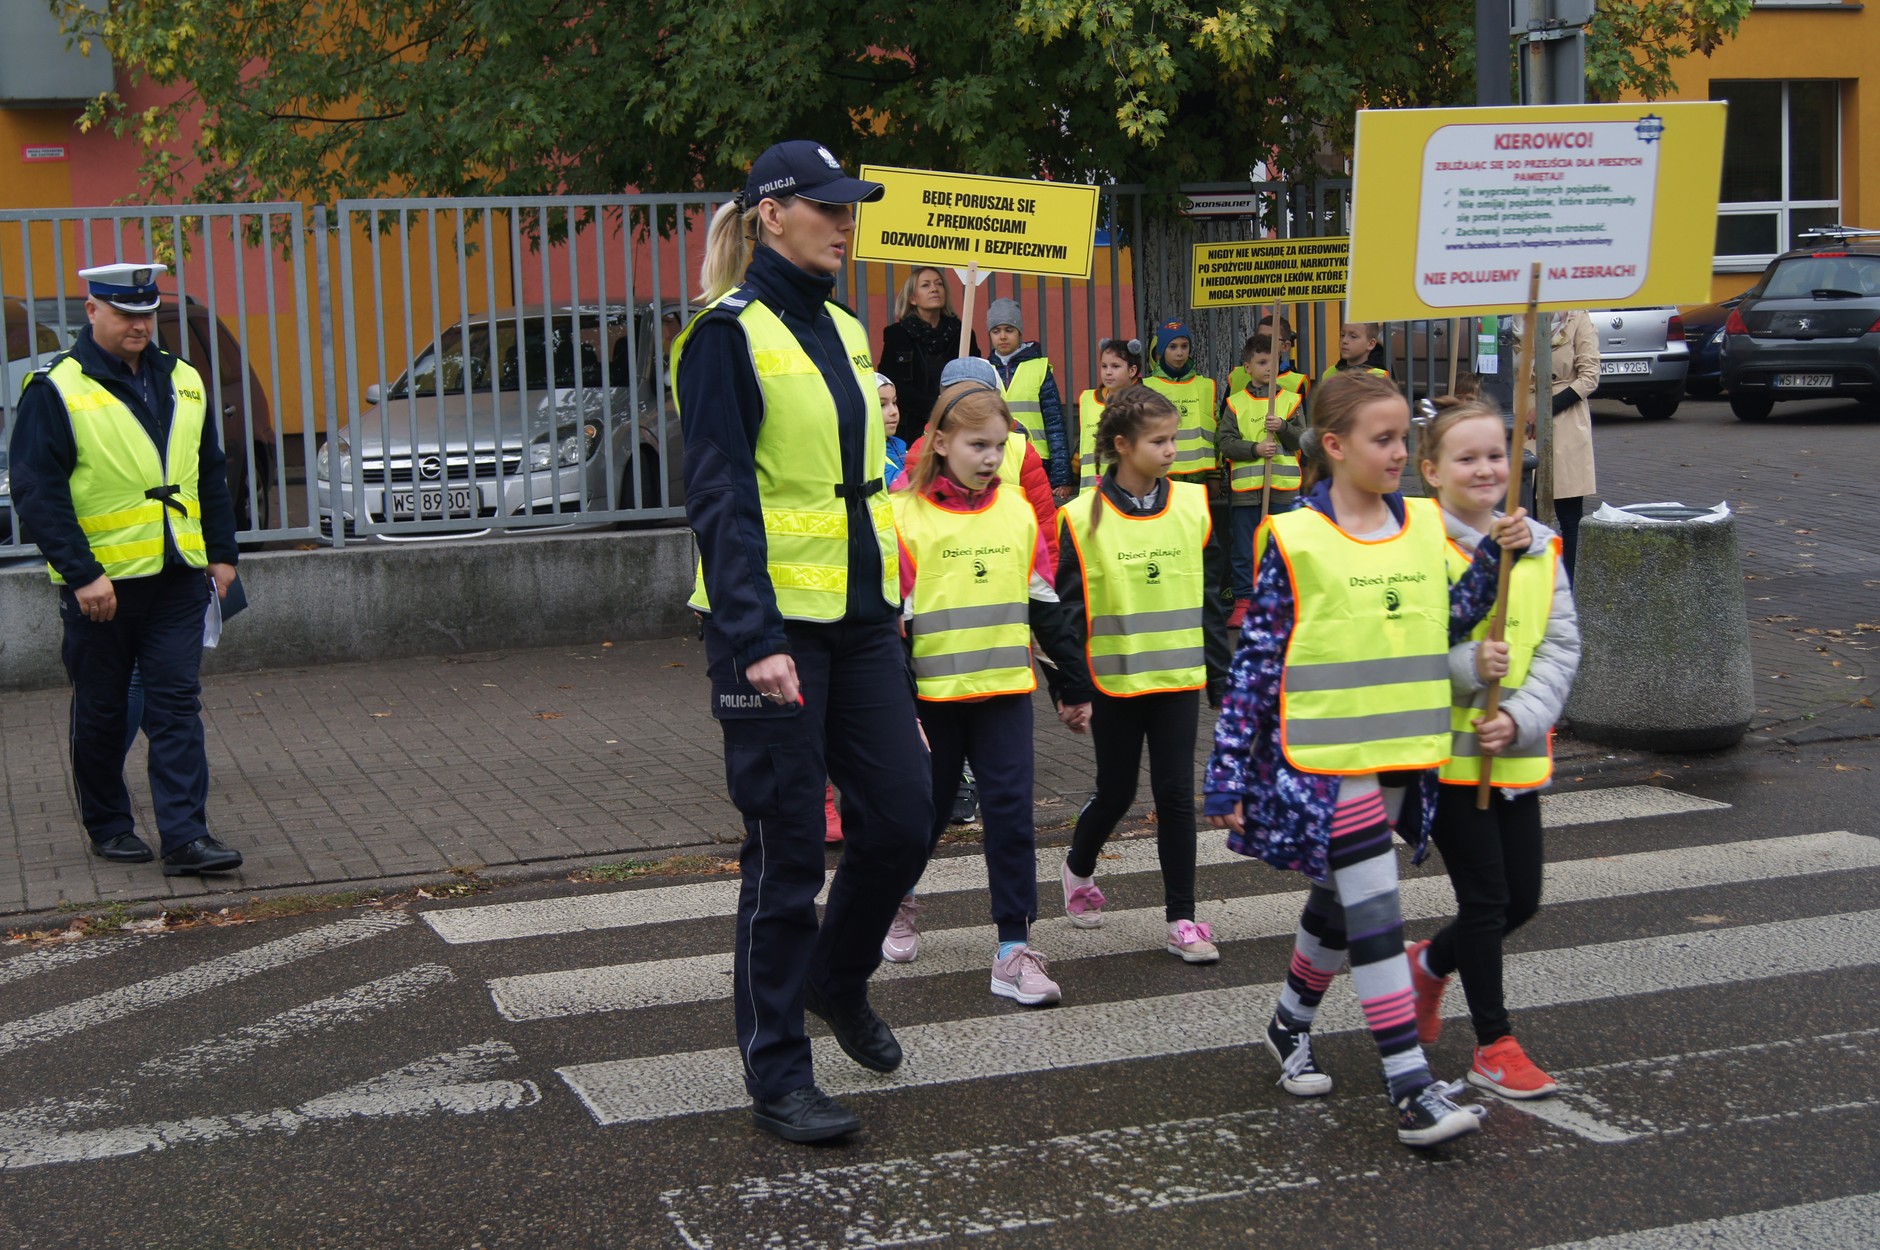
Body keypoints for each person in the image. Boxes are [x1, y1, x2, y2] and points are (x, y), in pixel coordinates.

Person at [675, 139, 933, 1145]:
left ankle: (836, 976)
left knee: (904, 819)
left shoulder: (840, 327)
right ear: (770, 214)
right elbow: (721, 495)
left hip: (862, 623)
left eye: (850, 206)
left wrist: (891, 591)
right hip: (770, 634)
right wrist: (752, 635)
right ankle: (776, 1070)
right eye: (826, 207)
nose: (845, 221)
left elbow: (850, 487)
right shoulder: (723, 335)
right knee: (786, 854)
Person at [1203, 370, 1532, 1149]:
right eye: (1383, 440)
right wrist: (1225, 770)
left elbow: (1440, 616)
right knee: (1378, 909)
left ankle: (1287, 1025)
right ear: (1334, 446)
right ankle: (1409, 1087)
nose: (1398, 453)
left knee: (1343, 902)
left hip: (1400, 755)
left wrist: (1491, 562)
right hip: (1327, 758)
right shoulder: (1293, 535)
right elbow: (1255, 661)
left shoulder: (1422, 523)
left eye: (1402, 439)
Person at [7, 262, 243, 877]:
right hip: (101, 590)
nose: (140, 325)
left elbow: (208, 472)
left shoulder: (184, 378)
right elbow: (37, 491)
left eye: (146, 313)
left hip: (177, 579)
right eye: (125, 314)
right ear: (93, 312)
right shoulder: (55, 388)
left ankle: (187, 838)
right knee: (104, 711)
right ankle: (108, 823)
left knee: (175, 706)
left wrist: (221, 554)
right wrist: (82, 573)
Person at [882, 380, 1093, 1002]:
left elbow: (1045, 606)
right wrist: (897, 708)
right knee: (922, 819)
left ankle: (1013, 948)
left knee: (1010, 817)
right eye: (978, 444)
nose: (991, 458)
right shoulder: (902, 516)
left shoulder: (1019, 511)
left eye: (1000, 446)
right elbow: (890, 629)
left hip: (1004, 694)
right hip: (931, 705)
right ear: (940, 443)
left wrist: (1072, 684)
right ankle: (899, 898)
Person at [1408, 397, 1581, 1101]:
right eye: (1467, 457)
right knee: (1484, 900)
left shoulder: (1540, 545)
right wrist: (1464, 667)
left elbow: (1562, 646)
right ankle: (1493, 1044)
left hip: (1510, 753)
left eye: (1496, 456)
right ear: (1431, 471)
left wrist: (1520, 716)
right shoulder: (1416, 549)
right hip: (1446, 762)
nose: (1486, 469)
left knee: (1522, 901)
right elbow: (1407, 649)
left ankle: (1429, 963)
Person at [1057, 385, 1220, 965]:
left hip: (1178, 678)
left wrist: (1221, 678)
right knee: (1118, 792)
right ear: (1123, 446)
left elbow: (1212, 602)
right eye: (1160, 440)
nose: (1173, 449)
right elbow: (1067, 614)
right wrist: (1070, 688)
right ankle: (1077, 867)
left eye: (1174, 437)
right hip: (1115, 682)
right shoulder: (1079, 518)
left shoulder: (1195, 506)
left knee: (1176, 795)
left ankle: (1183, 918)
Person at [1143, 319, 1229, 703]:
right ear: (1159, 351)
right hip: (1165, 481)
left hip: (1197, 485)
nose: (1180, 352)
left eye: (1184, 346)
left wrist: (1213, 476)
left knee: (1200, 558)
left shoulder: (1206, 386)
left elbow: (1209, 432)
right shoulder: (1147, 386)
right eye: (1172, 346)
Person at [1217, 332, 1304, 628]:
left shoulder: (1291, 401)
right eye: (1262, 362)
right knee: (1244, 548)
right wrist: (1254, 449)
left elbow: (1302, 439)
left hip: (1282, 491)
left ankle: (1279, 600)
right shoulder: (1235, 403)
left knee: (1280, 546)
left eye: (1274, 361)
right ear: (1248, 368)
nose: (1269, 367)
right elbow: (1225, 442)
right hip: (1246, 493)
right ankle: (1244, 600)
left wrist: (1282, 427)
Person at [1517, 309, 1599, 578]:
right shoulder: (1514, 320)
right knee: (1526, 508)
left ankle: (1570, 587)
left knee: (1569, 515)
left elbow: (1589, 377)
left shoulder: (1578, 320)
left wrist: (1545, 409)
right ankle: (1533, 583)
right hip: (1523, 421)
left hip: (1565, 421)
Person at [877, 266, 979, 446]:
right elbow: (890, 382)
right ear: (912, 298)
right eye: (926, 285)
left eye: (939, 284)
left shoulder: (963, 335)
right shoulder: (897, 335)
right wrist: (933, 408)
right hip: (910, 431)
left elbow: (976, 379)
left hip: (955, 424)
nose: (934, 288)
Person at [984, 297, 1072, 502]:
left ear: (1020, 332)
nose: (1003, 336)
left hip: (1038, 460)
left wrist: (1061, 477)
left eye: (1009, 329)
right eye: (996, 331)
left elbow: (1055, 425)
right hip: (997, 460)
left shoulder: (1039, 368)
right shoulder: (984, 369)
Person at [1075, 337, 1143, 494]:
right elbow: (1083, 444)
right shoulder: (1087, 400)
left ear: (1132, 371)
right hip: (1090, 494)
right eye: (1104, 366)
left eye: (1115, 366)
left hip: (1127, 494)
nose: (1108, 372)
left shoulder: (1141, 403)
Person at [1228, 314, 1308, 399]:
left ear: (1285, 346)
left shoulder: (1295, 383)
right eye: (1260, 337)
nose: (1264, 342)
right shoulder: (1237, 376)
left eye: (1271, 339)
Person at [1322, 321, 1389, 381]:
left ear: (1371, 344)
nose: (1344, 340)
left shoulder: (1378, 377)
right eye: (1342, 335)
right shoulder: (1330, 373)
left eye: (1353, 336)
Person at [878, 373, 908, 486]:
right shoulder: (864, 452)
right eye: (882, 405)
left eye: (894, 402)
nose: (894, 411)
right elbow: (900, 483)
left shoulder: (899, 444)